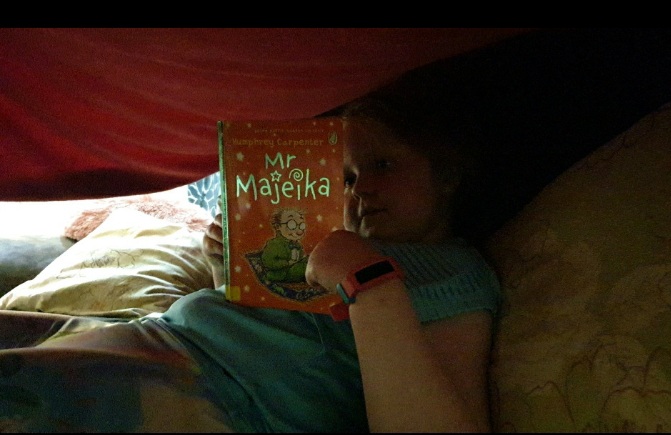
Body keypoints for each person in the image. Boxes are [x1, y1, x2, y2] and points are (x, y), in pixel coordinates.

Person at [0, 55, 501, 432]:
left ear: (447, 174)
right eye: (345, 178)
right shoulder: (329, 240)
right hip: (166, 339)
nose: (359, 190)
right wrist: (228, 271)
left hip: (216, 390)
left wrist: (368, 281)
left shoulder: (453, 274)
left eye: (383, 166)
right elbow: (278, 327)